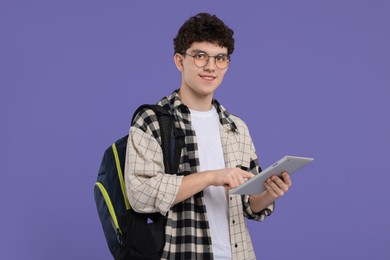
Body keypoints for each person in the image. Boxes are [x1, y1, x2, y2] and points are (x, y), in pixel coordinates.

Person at [125, 12, 292, 260]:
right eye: (200, 56)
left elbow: (249, 205)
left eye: (220, 58)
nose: (211, 67)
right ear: (180, 61)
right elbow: (140, 194)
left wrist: (268, 194)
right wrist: (213, 176)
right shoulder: (154, 121)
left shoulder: (236, 127)